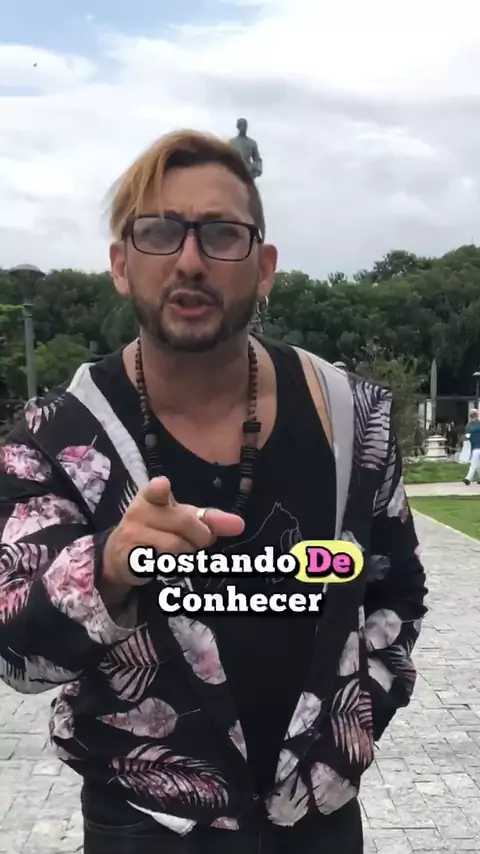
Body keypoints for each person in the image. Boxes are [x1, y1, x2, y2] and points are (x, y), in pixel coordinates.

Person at [0, 129, 427, 854]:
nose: (191, 260)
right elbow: (17, 651)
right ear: (121, 265)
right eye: (160, 232)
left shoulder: (351, 419)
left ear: (264, 268)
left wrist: (351, 727)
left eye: (222, 234)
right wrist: (107, 568)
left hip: (317, 823)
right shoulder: (56, 438)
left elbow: (397, 591)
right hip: (146, 825)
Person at [463, 409, 480, 484]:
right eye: (472, 414)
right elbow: (467, 435)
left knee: (474, 463)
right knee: (476, 463)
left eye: (474, 414)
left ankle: (468, 478)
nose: (473, 415)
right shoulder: (469, 425)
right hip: (474, 446)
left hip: (477, 445)